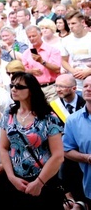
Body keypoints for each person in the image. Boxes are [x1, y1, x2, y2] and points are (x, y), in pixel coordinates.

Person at [0, 72, 64, 208]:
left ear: (31, 90)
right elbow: (3, 147)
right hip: (16, 180)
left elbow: (58, 156)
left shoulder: (48, 116)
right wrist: (11, 177)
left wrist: (39, 182)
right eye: (12, 85)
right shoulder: (9, 113)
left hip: (44, 181)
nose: (13, 89)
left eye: (19, 86)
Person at [62, 76, 91, 209]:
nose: (88, 89)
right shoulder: (73, 120)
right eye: (85, 86)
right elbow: (66, 150)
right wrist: (87, 158)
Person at [21, 24, 62, 102]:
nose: (32, 38)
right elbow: (22, 70)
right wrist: (30, 71)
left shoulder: (52, 50)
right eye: (29, 37)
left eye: (34, 36)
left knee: (55, 112)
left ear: (41, 34)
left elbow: (57, 69)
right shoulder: (26, 53)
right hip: (34, 89)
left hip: (51, 88)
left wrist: (42, 61)